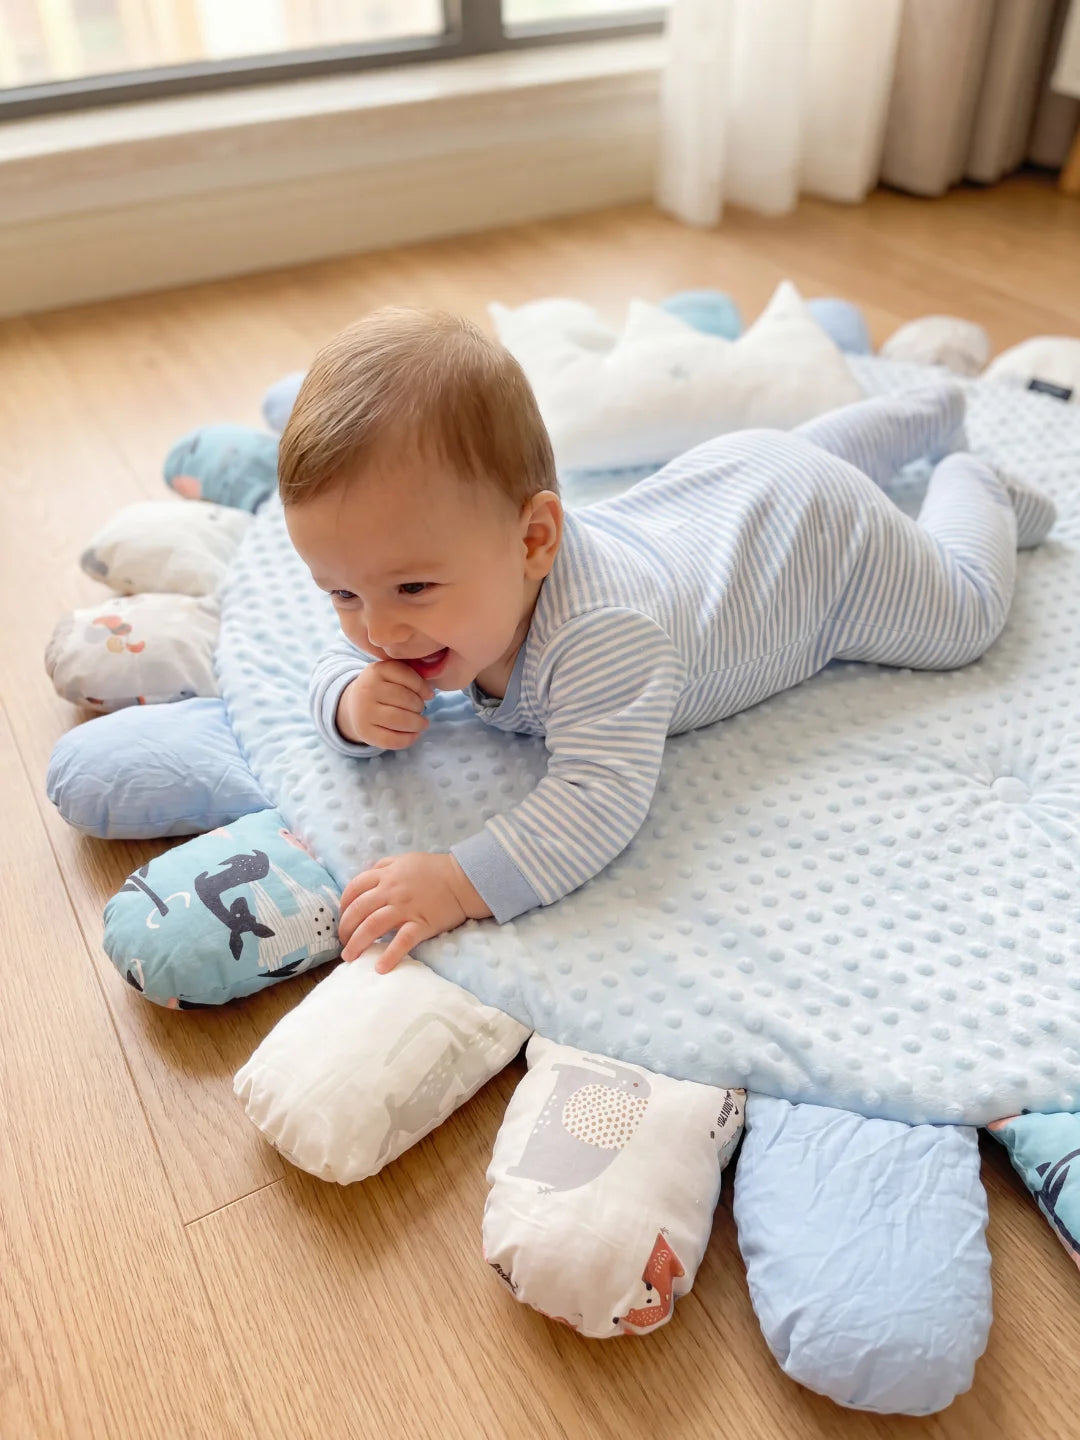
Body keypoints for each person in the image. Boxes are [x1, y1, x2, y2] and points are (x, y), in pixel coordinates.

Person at [280, 308, 1055, 974]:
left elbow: (596, 801)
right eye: (341, 593)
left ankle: (968, 480)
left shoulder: (602, 640)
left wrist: (456, 881)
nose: (376, 631)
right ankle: (922, 409)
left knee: (964, 617)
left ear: (534, 540)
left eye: (412, 590)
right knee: (805, 458)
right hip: (739, 476)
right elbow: (348, 654)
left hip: (822, 553)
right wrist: (349, 704)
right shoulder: (409, 586)